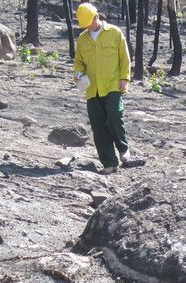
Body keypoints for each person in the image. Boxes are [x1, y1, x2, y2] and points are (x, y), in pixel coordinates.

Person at [74, 3, 131, 175]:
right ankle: (110, 162)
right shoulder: (83, 39)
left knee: (114, 115)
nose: (88, 28)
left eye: (90, 23)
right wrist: (78, 74)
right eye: (85, 26)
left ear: (97, 17)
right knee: (98, 127)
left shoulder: (114, 33)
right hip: (93, 88)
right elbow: (79, 62)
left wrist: (124, 78)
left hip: (113, 83)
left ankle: (123, 147)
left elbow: (125, 57)